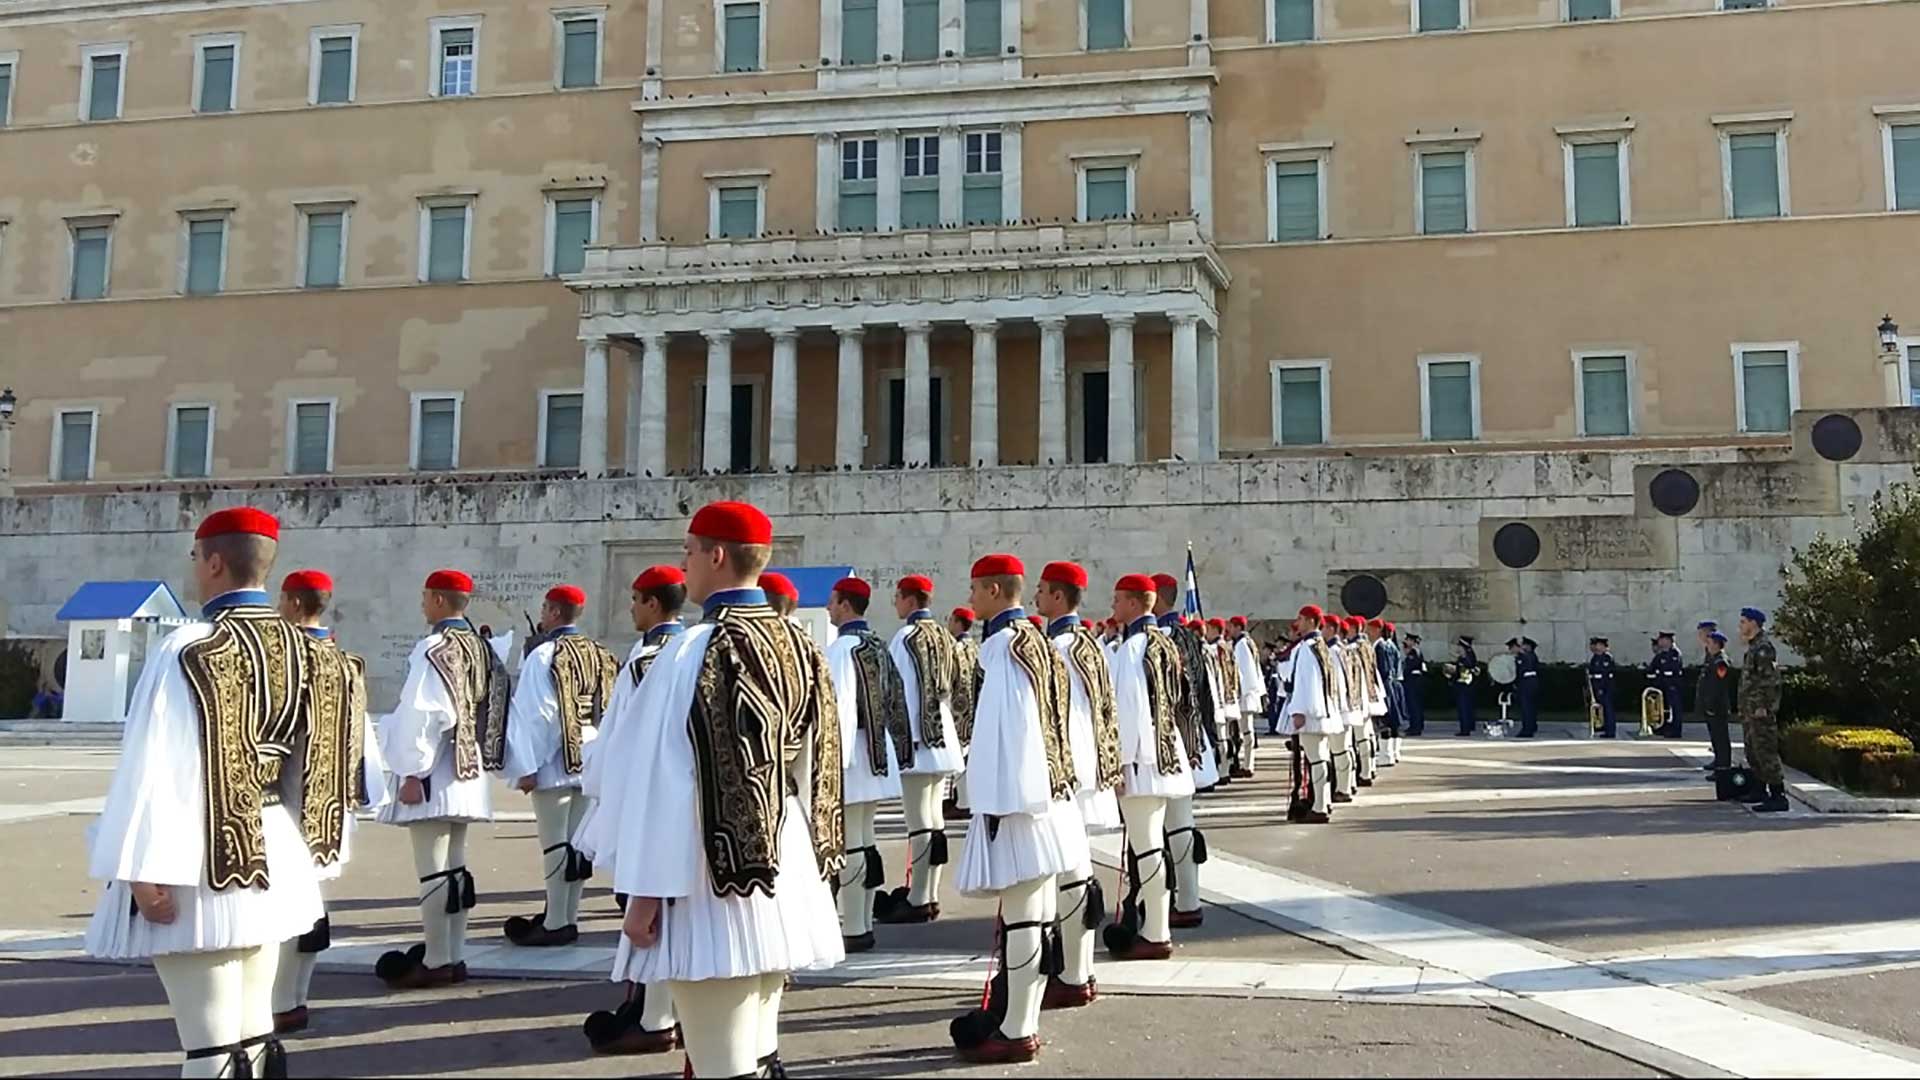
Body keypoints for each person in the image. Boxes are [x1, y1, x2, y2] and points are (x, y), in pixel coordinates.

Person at [584, 501, 842, 1079]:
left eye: (689, 552)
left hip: (705, 876)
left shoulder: (690, 651)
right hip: (785, 860)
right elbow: (823, 763)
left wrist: (645, 891)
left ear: (717, 556)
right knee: (754, 1048)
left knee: (720, 1062)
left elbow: (664, 779)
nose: (684, 565)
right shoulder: (801, 644)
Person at [84, 508, 341, 1078]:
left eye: (197, 559)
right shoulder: (312, 652)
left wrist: (140, 868)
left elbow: (155, 762)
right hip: (277, 847)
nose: (196, 569)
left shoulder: (189, 648)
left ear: (216, 562)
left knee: (208, 1046)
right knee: (251, 1036)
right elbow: (319, 768)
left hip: (201, 857)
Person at [948, 555, 1086, 1063]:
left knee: (1026, 918)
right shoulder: (1037, 643)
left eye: (974, 588)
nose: (969, 597)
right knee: (1039, 912)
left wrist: (996, 806)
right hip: (1050, 796)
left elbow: (1009, 735)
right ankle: (1017, 1018)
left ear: (992, 591)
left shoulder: (1006, 647)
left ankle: (1015, 1029)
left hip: (1023, 801)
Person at [373, 569, 504, 990]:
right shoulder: (483, 648)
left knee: (433, 868)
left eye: (426, 597)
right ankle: (454, 952)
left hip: (436, 769)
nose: (422, 604)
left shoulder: (435, 647)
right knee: (456, 868)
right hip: (469, 769)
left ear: (439, 600)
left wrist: (412, 770)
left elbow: (422, 713)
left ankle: (435, 958)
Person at [578, 565, 689, 1057]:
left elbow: (621, 737)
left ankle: (655, 1017)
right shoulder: (695, 650)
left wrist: (600, 788)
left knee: (649, 911)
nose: (630, 608)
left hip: (646, 797)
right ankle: (665, 1009)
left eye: (635, 599)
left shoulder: (648, 660)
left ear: (651, 604)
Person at [271, 569, 386, 1035]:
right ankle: (296, 997)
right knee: (312, 901)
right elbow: (362, 741)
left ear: (295, 605)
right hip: (332, 805)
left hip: (285, 802)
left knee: (281, 906)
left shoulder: (281, 660)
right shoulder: (347, 663)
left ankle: (277, 1001)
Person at [499, 585, 620, 949]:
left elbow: (538, 716)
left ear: (552, 612)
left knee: (555, 844)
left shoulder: (543, 655)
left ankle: (556, 922)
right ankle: (566, 914)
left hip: (554, 761)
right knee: (575, 844)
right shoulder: (599, 653)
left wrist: (528, 764)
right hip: (590, 756)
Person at [1034, 561, 1121, 1009]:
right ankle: (1078, 969)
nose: (1035, 597)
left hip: (1064, 765)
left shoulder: (1058, 648)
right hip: (1089, 763)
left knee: (1069, 871)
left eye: (1042, 590)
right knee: (1077, 869)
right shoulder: (1089, 643)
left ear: (1057, 597)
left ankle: (1070, 972)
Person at [1103, 574, 1194, 961]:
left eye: (1118, 600)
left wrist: (1120, 765)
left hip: (1142, 762)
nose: (1113, 608)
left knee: (1147, 850)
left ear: (1136, 604)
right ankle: (1156, 924)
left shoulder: (1132, 649)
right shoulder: (1165, 644)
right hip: (1167, 756)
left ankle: (1156, 932)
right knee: (1154, 847)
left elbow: (1128, 711)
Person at [824, 576, 908, 954]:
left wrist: (831, 761)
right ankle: (861, 920)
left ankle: (855, 925)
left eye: (832, 602)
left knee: (852, 842)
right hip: (877, 749)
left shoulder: (843, 649)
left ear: (845, 606)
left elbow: (838, 708)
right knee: (865, 837)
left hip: (853, 753)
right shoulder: (877, 644)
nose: (828, 608)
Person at [877, 573, 964, 924]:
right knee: (934, 819)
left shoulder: (906, 637)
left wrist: (898, 740)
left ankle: (919, 898)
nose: (895, 603)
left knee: (919, 821)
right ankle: (928, 893)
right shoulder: (945, 636)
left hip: (917, 740)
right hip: (942, 737)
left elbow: (899, 692)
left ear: (910, 600)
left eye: (898, 597)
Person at [1149, 574, 1211, 929]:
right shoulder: (1187, 634)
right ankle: (1188, 898)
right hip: (1186, 741)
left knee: (1163, 831)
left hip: (1165, 746)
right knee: (1182, 826)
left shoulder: (1162, 639)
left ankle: (1167, 905)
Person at [1281, 606, 1341, 824]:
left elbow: (1306, 683)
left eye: (1300, 618)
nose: (1298, 622)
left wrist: (1299, 711)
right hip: (1323, 711)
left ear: (1309, 620)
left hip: (1312, 714)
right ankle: (1323, 802)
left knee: (1315, 761)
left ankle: (1319, 807)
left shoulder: (1307, 648)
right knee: (1321, 759)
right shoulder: (1321, 646)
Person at [1738, 608, 1790, 813]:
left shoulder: (1763, 648)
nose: (1740, 626)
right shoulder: (1753, 647)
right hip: (1750, 710)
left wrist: (1763, 706)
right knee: (1753, 751)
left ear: (1754, 623)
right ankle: (1760, 790)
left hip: (1760, 711)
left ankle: (1778, 795)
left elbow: (1769, 681)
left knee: (1766, 752)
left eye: (1743, 622)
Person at [945, 606, 981, 820]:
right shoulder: (975, 647)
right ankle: (963, 798)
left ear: (958, 623)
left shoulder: (956, 648)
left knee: (959, 759)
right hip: (973, 708)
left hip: (958, 710)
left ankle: (963, 801)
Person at [1345, 615, 1386, 785]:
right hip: (1369, 693)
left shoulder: (1353, 647)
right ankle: (1370, 768)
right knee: (1367, 734)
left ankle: (1364, 773)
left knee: (1361, 737)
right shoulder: (1367, 645)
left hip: (1359, 696)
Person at [1698, 630, 1736, 784]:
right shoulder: (1713, 660)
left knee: (1721, 739)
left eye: (1710, 642)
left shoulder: (1721, 662)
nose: (1707, 645)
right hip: (1711, 705)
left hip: (1718, 706)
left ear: (1716, 644)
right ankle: (1718, 763)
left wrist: (1712, 704)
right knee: (1715, 737)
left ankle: (1723, 767)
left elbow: (1719, 686)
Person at [1229, 616, 1265, 777]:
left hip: (1245, 693)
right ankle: (1244, 762)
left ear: (1237, 627)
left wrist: (1239, 692)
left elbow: (1244, 671)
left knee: (1246, 731)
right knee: (1244, 730)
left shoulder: (1242, 645)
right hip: (1246, 693)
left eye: (1231, 626)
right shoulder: (1244, 643)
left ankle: (1248, 765)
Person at [1367, 619, 1403, 764]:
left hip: (1384, 686)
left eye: (1370, 629)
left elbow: (1382, 670)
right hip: (1392, 684)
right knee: (1392, 720)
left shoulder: (1380, 647)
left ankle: (1386, 754)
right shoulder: (1389, 646)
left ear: (1377, 629)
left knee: (1384, 720)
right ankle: (1393, 752)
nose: (1368, 632)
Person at [1649, 631, 1686, 739]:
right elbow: (1653, 668)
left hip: (1673, 684)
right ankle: (1663, 727)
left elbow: (1673, 670)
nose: (1659, 641)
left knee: (1675, 708)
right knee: (1663, 707)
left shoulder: (1675, 653)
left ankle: (1676, 730)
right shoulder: (1661, 654)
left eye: (1662, 639)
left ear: (1668, 641)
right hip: (1662, 685)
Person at [1587, 637, 1617, 739]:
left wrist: (1601, 688)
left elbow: (1606, 675)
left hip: (1605, 688)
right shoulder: (1595, 658)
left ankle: (1610, 731)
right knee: (1601, 709)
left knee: (1608, 709)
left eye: (1599, 645)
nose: (1596, 647)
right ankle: (1602, 727)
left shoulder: (1606, 658)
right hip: (1597, 687)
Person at [1449, 636, 1479, 737]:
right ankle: (1467, 726)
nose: (1458, 648)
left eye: (1460, 646)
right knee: (1465, 707)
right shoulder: (1463, 657)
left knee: (1464, 708)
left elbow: (1468, 669)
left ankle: (1465, 729)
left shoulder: (1468, 658)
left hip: (1465, 686)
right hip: (1462, 686)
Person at [1513, 636, 1541, 739]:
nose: (1522, 647)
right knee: (1529, 707)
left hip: (1528, 684)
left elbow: (1525, 668)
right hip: (1528, 683)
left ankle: (1527, 729)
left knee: (1527, 707)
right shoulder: (1527, 656)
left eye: (1524, 645)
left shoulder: (1528, 656)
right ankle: (1531, 726)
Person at [1401, 633, 1427, 736]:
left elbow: (1410, 668)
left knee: (1414, 705)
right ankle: (1416, 725)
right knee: (1415, 705)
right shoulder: (1415, 651)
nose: (1406, 642)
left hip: (1413, 682)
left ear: (1412, 641)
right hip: (1414, 682)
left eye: (1407, 640)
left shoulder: (1414, 652)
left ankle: (1415, 727)